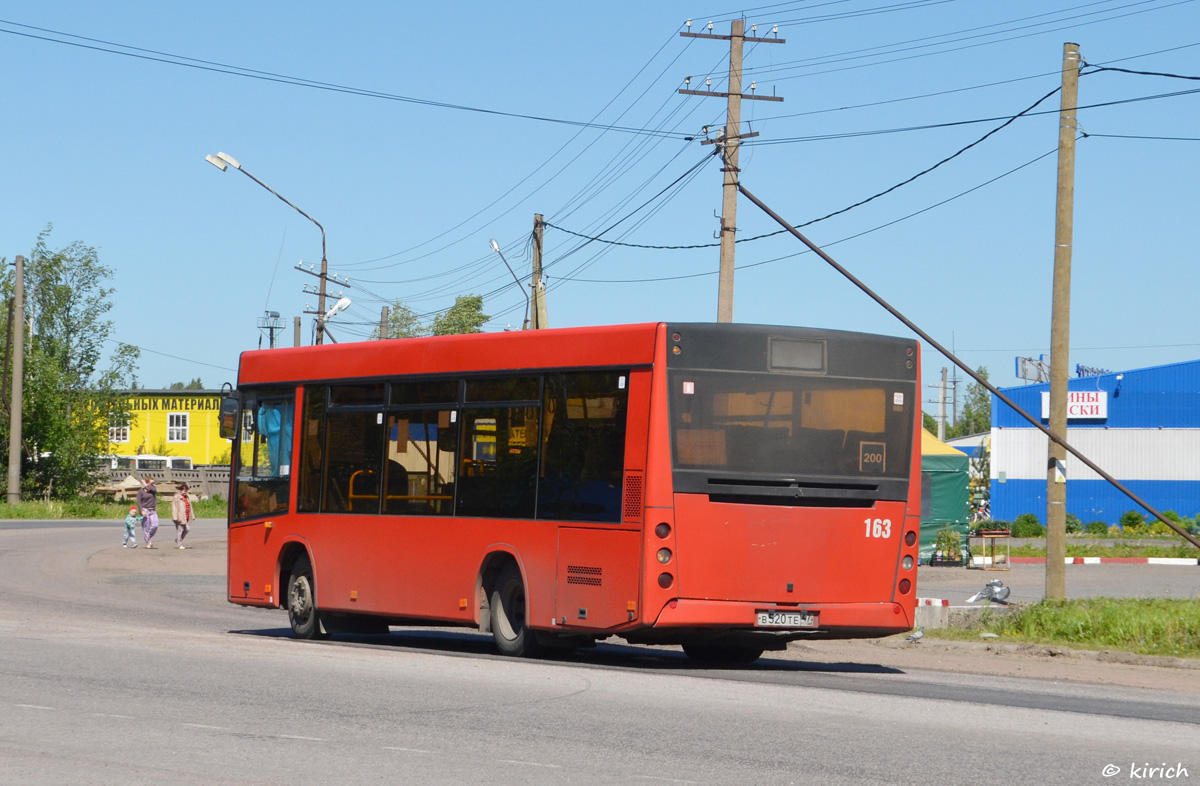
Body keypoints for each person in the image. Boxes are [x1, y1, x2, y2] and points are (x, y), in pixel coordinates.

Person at [171, 482, 196, 549]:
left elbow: (190, 507)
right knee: (179, 531)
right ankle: (179, 545)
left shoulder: (187, 497)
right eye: (184, 490)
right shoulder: (177, 497)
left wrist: (192, 516)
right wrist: (175, 517)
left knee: (187, 529)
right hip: (180, 516)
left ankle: (178, 540)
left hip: (186, 516)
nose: (185, 492)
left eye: (186, 490)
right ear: (180, 490)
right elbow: (174, 507)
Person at [136, 475, 159, 548]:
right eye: (151, 483)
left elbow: (154, 490)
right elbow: (138, 502)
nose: (152, 484)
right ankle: (148, 543)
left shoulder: (153, 490)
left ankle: (148, 536)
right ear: (147, 482)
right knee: (146, 527)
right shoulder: (141, 491)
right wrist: (141, 510)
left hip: (152, 510)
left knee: (155, 525)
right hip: (145, 509)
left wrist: (146, 485)